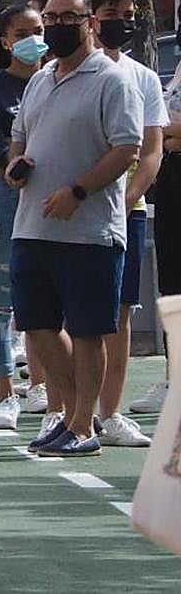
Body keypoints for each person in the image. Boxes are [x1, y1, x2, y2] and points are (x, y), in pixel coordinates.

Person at [9, 0, 143, 457]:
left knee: (87, 330)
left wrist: (79, 191)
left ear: (88, 21)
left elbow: (127, 147)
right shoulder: (40, 79)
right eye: (52, 18)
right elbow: (19, 137)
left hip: (90, 231)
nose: (59, 26)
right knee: (37, 325)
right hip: (32, 226)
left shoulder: (111, 79)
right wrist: (15, 165)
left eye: (70, 17)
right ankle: (70, 415)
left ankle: (84, 426)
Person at [87, 0, 167, 447]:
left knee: (118, 315)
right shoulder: (70, 72)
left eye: (128, 14)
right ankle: (68, 409)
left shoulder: (144, 77)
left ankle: (110, 413)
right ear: (91, 18)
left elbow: (151, 150)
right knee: (73, 315)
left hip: (125, 212)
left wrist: (125, 196)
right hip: (75, 212)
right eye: (112, 13)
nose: (122, 23)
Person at [0, 4, 47, 428]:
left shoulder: (59, 82)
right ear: (5, 40)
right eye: (22, 32)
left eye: (39, 30)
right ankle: (6, 393)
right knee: (0, 300)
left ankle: (43, 386)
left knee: (45, 300)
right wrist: (14, 169)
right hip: (6, 198)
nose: (33, 39)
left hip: (54, 203)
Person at [132, 68, 181, 414]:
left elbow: (161, 128)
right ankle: (173, 379)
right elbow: (161, 130)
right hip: (173, 180)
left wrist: (164, 132)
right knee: (173, 286)